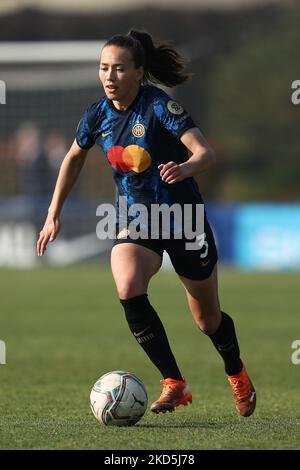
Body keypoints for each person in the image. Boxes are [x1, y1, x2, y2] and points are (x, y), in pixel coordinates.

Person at [37, 29, 256, 417]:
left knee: (208, 320)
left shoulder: (159, 108)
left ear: (139, 72)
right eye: (104, 68)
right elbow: (73, 157)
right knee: (127, 285)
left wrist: (185, 167)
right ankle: (174, 382)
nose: (109, 76)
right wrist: (54, 211)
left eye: (119, 69)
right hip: (136, 219)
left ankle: (236, 371)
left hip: (183, 219)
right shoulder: (96, 115)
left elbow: (205, 153)